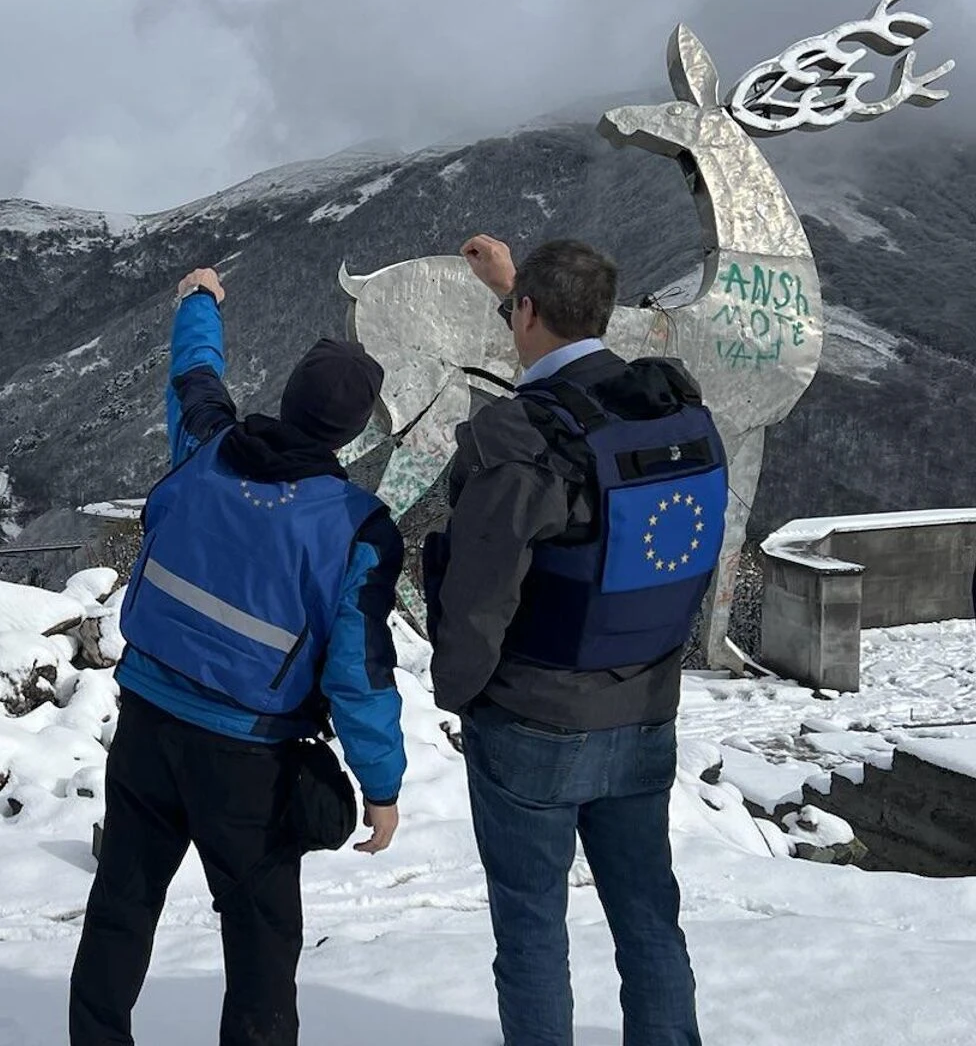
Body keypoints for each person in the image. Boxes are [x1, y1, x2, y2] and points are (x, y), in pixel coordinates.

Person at [69, 267, 408, 1046]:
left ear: (288, 396)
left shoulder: (206, 445)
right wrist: (381, 784)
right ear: (353, 432)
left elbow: (194, 372)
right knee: (261, 941)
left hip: (146, 724)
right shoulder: (358, 529)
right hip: (251, 759)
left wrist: (200, 299)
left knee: (122, 905)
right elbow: (358, 674)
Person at [429, 235, 723, 1046]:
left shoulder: (516, 438)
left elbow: (477, 599)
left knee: (532, 932)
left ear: (527, 312)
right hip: (646, 707)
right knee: (649, 917)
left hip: (534, 718)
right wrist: (511, 288)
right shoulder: (673, 411)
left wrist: (461, 693)